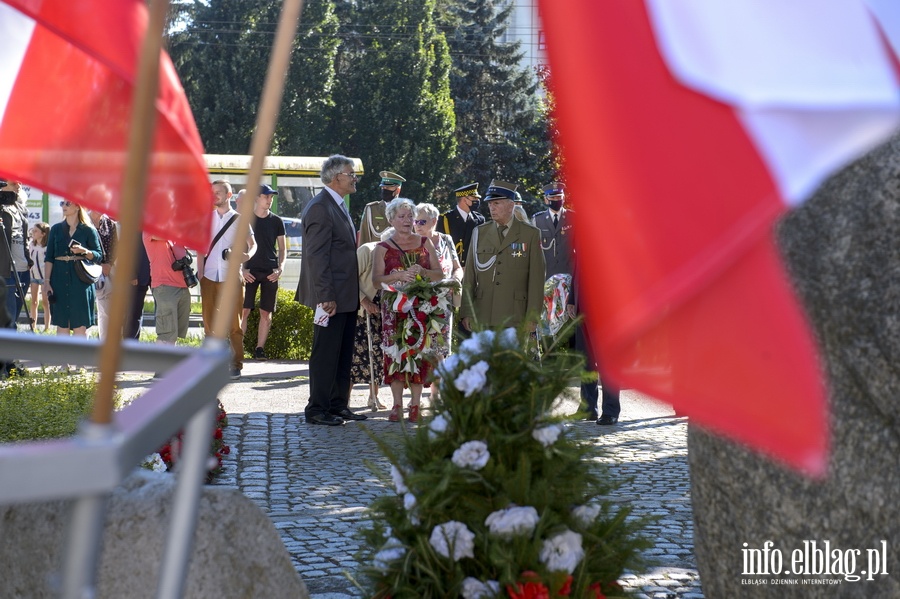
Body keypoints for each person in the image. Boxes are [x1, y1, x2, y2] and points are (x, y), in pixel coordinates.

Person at [296, 155, 367, 426]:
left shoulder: (337, 204)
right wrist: (325, 296)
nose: (354, 178)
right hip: (331, 297)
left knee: (342, 352)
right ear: (336, 177)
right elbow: (317, 256)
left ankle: (338, 405)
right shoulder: (320, 207)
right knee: (326, 353)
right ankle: (317, 409)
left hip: (345, 295)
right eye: (351, 173)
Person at [373, 198, 444, 423]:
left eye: (410, 216)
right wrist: (398, 276)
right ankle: (397, 405)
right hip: (393, 310)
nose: (407, 220)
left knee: (418, 353)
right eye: (401, 216)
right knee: (396, 354)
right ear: (391, 219)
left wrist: (422, 271)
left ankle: (415, 405)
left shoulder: (424, 241)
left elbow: (440, 274)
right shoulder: (381, 248)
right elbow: (376, 281)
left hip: (421, 308)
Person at [460, 181, 545, 332]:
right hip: (483, 314)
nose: (491, 208)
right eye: (490, 204)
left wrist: (532, 317)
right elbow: (470, 276)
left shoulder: (530, 234)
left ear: (511, 205)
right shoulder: (480, 232)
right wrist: (467, 311)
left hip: (516, 315)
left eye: (496, 203)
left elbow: (536, 279)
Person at [199, 180, 256, 379]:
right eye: (212, 192)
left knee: (234, 322)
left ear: (229, 195)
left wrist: (247, 255)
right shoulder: (206, 219)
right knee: (209, 323)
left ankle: (236, 364)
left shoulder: (240, 219)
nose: (214, 196)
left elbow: (252, 243)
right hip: (209, 275)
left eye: (218, 192)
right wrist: (200, 273)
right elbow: (200, 247)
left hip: (232, 277)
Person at [567, 273, 620, 424]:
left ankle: (611, 410)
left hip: (605, 309)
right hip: (582, 307)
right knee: (585, 361)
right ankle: (588, 408)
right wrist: (572, 299)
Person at [43, 200, 101, 337]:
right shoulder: (56, 229)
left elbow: (99, 256)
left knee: (80, 326)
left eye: (67, 203)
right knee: (62, 325)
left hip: (80, 282)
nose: (63, 206)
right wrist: (46, 282)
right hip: (59, 280)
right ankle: (63, 358)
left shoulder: (88, 230)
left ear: (77, 206)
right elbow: (49, 258)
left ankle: (80, 358)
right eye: (62, 203)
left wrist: (84, 251)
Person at [350, 228, 393, 411]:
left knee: (377, 355)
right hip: (361, 312)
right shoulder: (367, 251)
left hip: (383, 312)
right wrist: (364, 301)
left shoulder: (397, 257)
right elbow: (349, 278)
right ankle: (344, 398)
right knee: (354, 355)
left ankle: (373, 396)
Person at [242, 184, 286, 360]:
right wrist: (242, 269)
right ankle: (237, 348)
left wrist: (280, 267)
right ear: (256, 198)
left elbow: (283, 248)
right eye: (266, 196)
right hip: (249, 270)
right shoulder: (246, 220)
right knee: (244, 310)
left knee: (266, 312)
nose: (269, 200)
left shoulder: (277, 221)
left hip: (270, 271)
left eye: (271, 197)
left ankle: (259, 349)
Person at [143, 233, 192, 346]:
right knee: (166, 334)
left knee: (173, 334)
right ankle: (160, 363)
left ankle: (168, 362)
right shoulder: (149, 228)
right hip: (164, 286)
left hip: (183, 284)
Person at [86, 188, 119, 340]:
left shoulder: (110, 224)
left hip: (105, 273)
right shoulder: (83, 221)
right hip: (85, 270)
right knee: (84, 311)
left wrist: (108, 264)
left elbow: (114, 247)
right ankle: (81, 349)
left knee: (106, 312)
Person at [1, 180, 31, 328]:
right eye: (14, 183)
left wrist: (29, 259)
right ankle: (9, 350)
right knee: (9, 321)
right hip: (6, 272)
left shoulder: (20, 208)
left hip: (23, 270)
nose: (18, 186)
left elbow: (25, 237)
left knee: (15, 318)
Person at [532, 182, 575, 279]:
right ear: (546, 200)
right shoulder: (537, 220)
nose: (556, 200)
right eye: (552, 197)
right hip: (546, 275)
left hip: (569, 274)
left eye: (559, 197)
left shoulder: (574, 218)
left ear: (563, 198)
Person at [437, 182, 485, 266]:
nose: (477, 201)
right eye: (474, 198)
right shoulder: (444, 219)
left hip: (473, 268)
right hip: (452, 269)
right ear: (464, 199)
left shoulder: (479, 219)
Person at [358, 170, 405, 245]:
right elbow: (364, 237)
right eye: (383, 187)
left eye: (388, 187)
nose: (384, 189)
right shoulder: (371, 209)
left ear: (398, 190)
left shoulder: (407, 210)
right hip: (377, 254)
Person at [124, 239, 152, 340]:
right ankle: (130, 345)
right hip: (138, 276)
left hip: (158, 274)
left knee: (163, 314)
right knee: (133, 314)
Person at [28, 222, 50, 331]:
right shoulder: (31, 245)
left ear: (43, 234)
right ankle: (33, 326)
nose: (33, 233)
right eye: (33, 230)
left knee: (46, 302)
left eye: (36, 231)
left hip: (44, 278)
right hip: (33, 276)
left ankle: (47, 327)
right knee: (34, 301)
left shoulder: (47, 247)